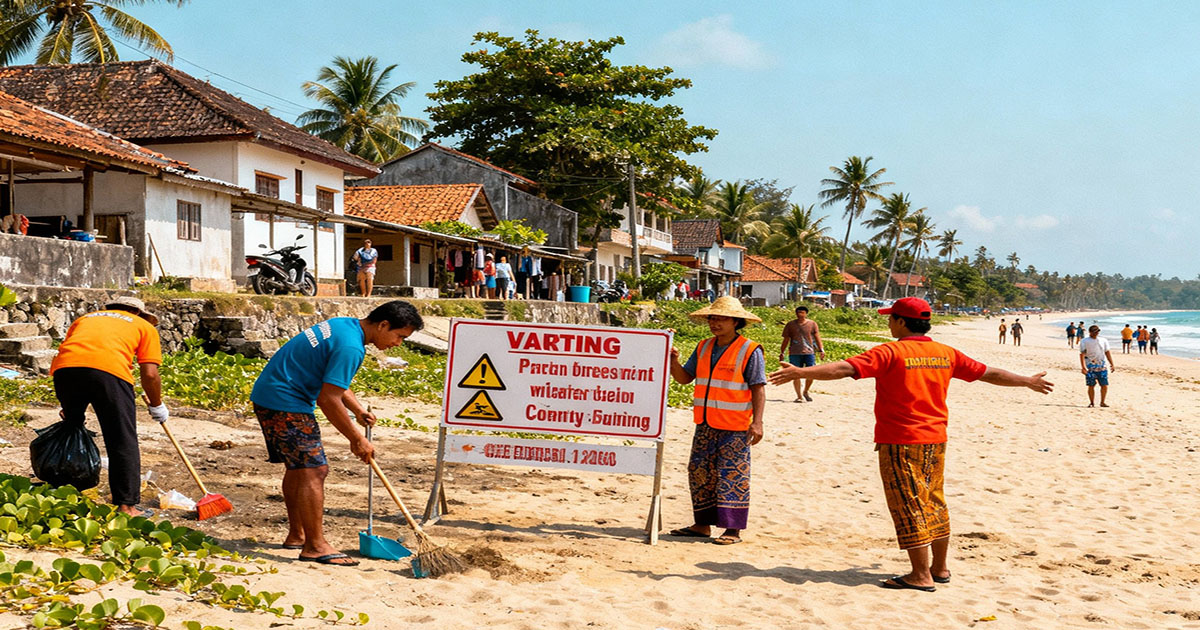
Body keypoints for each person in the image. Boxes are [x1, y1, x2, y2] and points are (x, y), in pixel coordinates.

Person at [767, 297, 1053, 591]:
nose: (889, 323)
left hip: (900, 440)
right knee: (934, 501)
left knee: (908, 504)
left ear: (902, 322)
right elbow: (987, 373)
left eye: (891, 318)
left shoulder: (892, 351)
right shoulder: (945, 352)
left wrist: (802, 372)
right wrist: (1026, 381)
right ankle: (939, 567)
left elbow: (845, 369)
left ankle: (920, 575)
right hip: (936, 438)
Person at [250, 301, 423, 566]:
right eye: (399, 336)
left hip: (271, 395)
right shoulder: (351, 347)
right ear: (383, 325)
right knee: (314, 470)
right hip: (284, 401)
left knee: (298, 469)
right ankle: (315, 546)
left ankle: (298, 534)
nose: (398, 343)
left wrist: (357, 410)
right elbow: (328, 398)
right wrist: (356, 438)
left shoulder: (345, 326)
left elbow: (333, 381)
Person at [49, 297, 167, 517]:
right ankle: (127, 506)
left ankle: (64, 490)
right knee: (122, 438)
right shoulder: (143, 326)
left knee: (72, 426)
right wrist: (157, 404)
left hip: (64, 371)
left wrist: (70, 405)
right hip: (108, 373)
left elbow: (72, 354)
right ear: (136, 311)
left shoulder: (84, 319)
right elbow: (150, 374)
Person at [667, 297, 767, 545]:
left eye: (721, 318)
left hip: (735, 426)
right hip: (705, 423)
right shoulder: (703, 347)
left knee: (732, 474)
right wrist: (673, 361)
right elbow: (684, 378)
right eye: (712, 317)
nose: (715, 323)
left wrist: (758, 422)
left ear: (736, 321)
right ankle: (701, 525)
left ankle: (732, 530)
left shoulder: (750, 350)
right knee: (699, 472)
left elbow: (758, 388)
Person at [778, 305, 825, 402]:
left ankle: (806, 391)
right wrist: (782, 352)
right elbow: (786, 339)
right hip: (794, 352)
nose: (800, 315)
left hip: (809, 352)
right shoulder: (790, 325)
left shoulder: (812, 324)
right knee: (795, 374)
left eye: (802, 313)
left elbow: (817, 337)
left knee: (812, 373)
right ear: (796, 313)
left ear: (806, 314)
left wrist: (821, 349)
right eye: (798, 313)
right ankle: (799, 396)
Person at [1079, 324, 1114, 408]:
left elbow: (1107, 352)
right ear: (1090, 332)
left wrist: (1112, 364)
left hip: (1102, 366)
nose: (1095, 334)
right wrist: (1083, 367)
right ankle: (1091, 402)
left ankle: (1102, 402)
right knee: (1091, 385)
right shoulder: (1084, 341)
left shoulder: (1103, 340)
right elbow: (1082, 354)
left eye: (1097, 332)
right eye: (1094, 332)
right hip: (1090, 367)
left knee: (1104, 385)